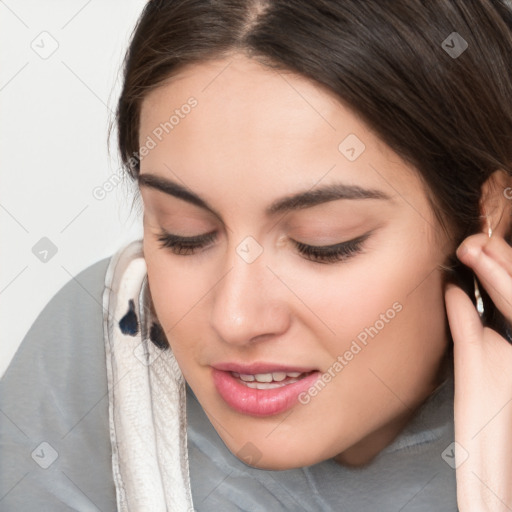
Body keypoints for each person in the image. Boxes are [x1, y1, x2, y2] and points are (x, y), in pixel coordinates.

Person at [2, 0, 512, 510]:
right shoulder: (104, 347)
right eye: (186, 233)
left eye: (322, 243)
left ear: (485, 213)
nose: (235, 318)